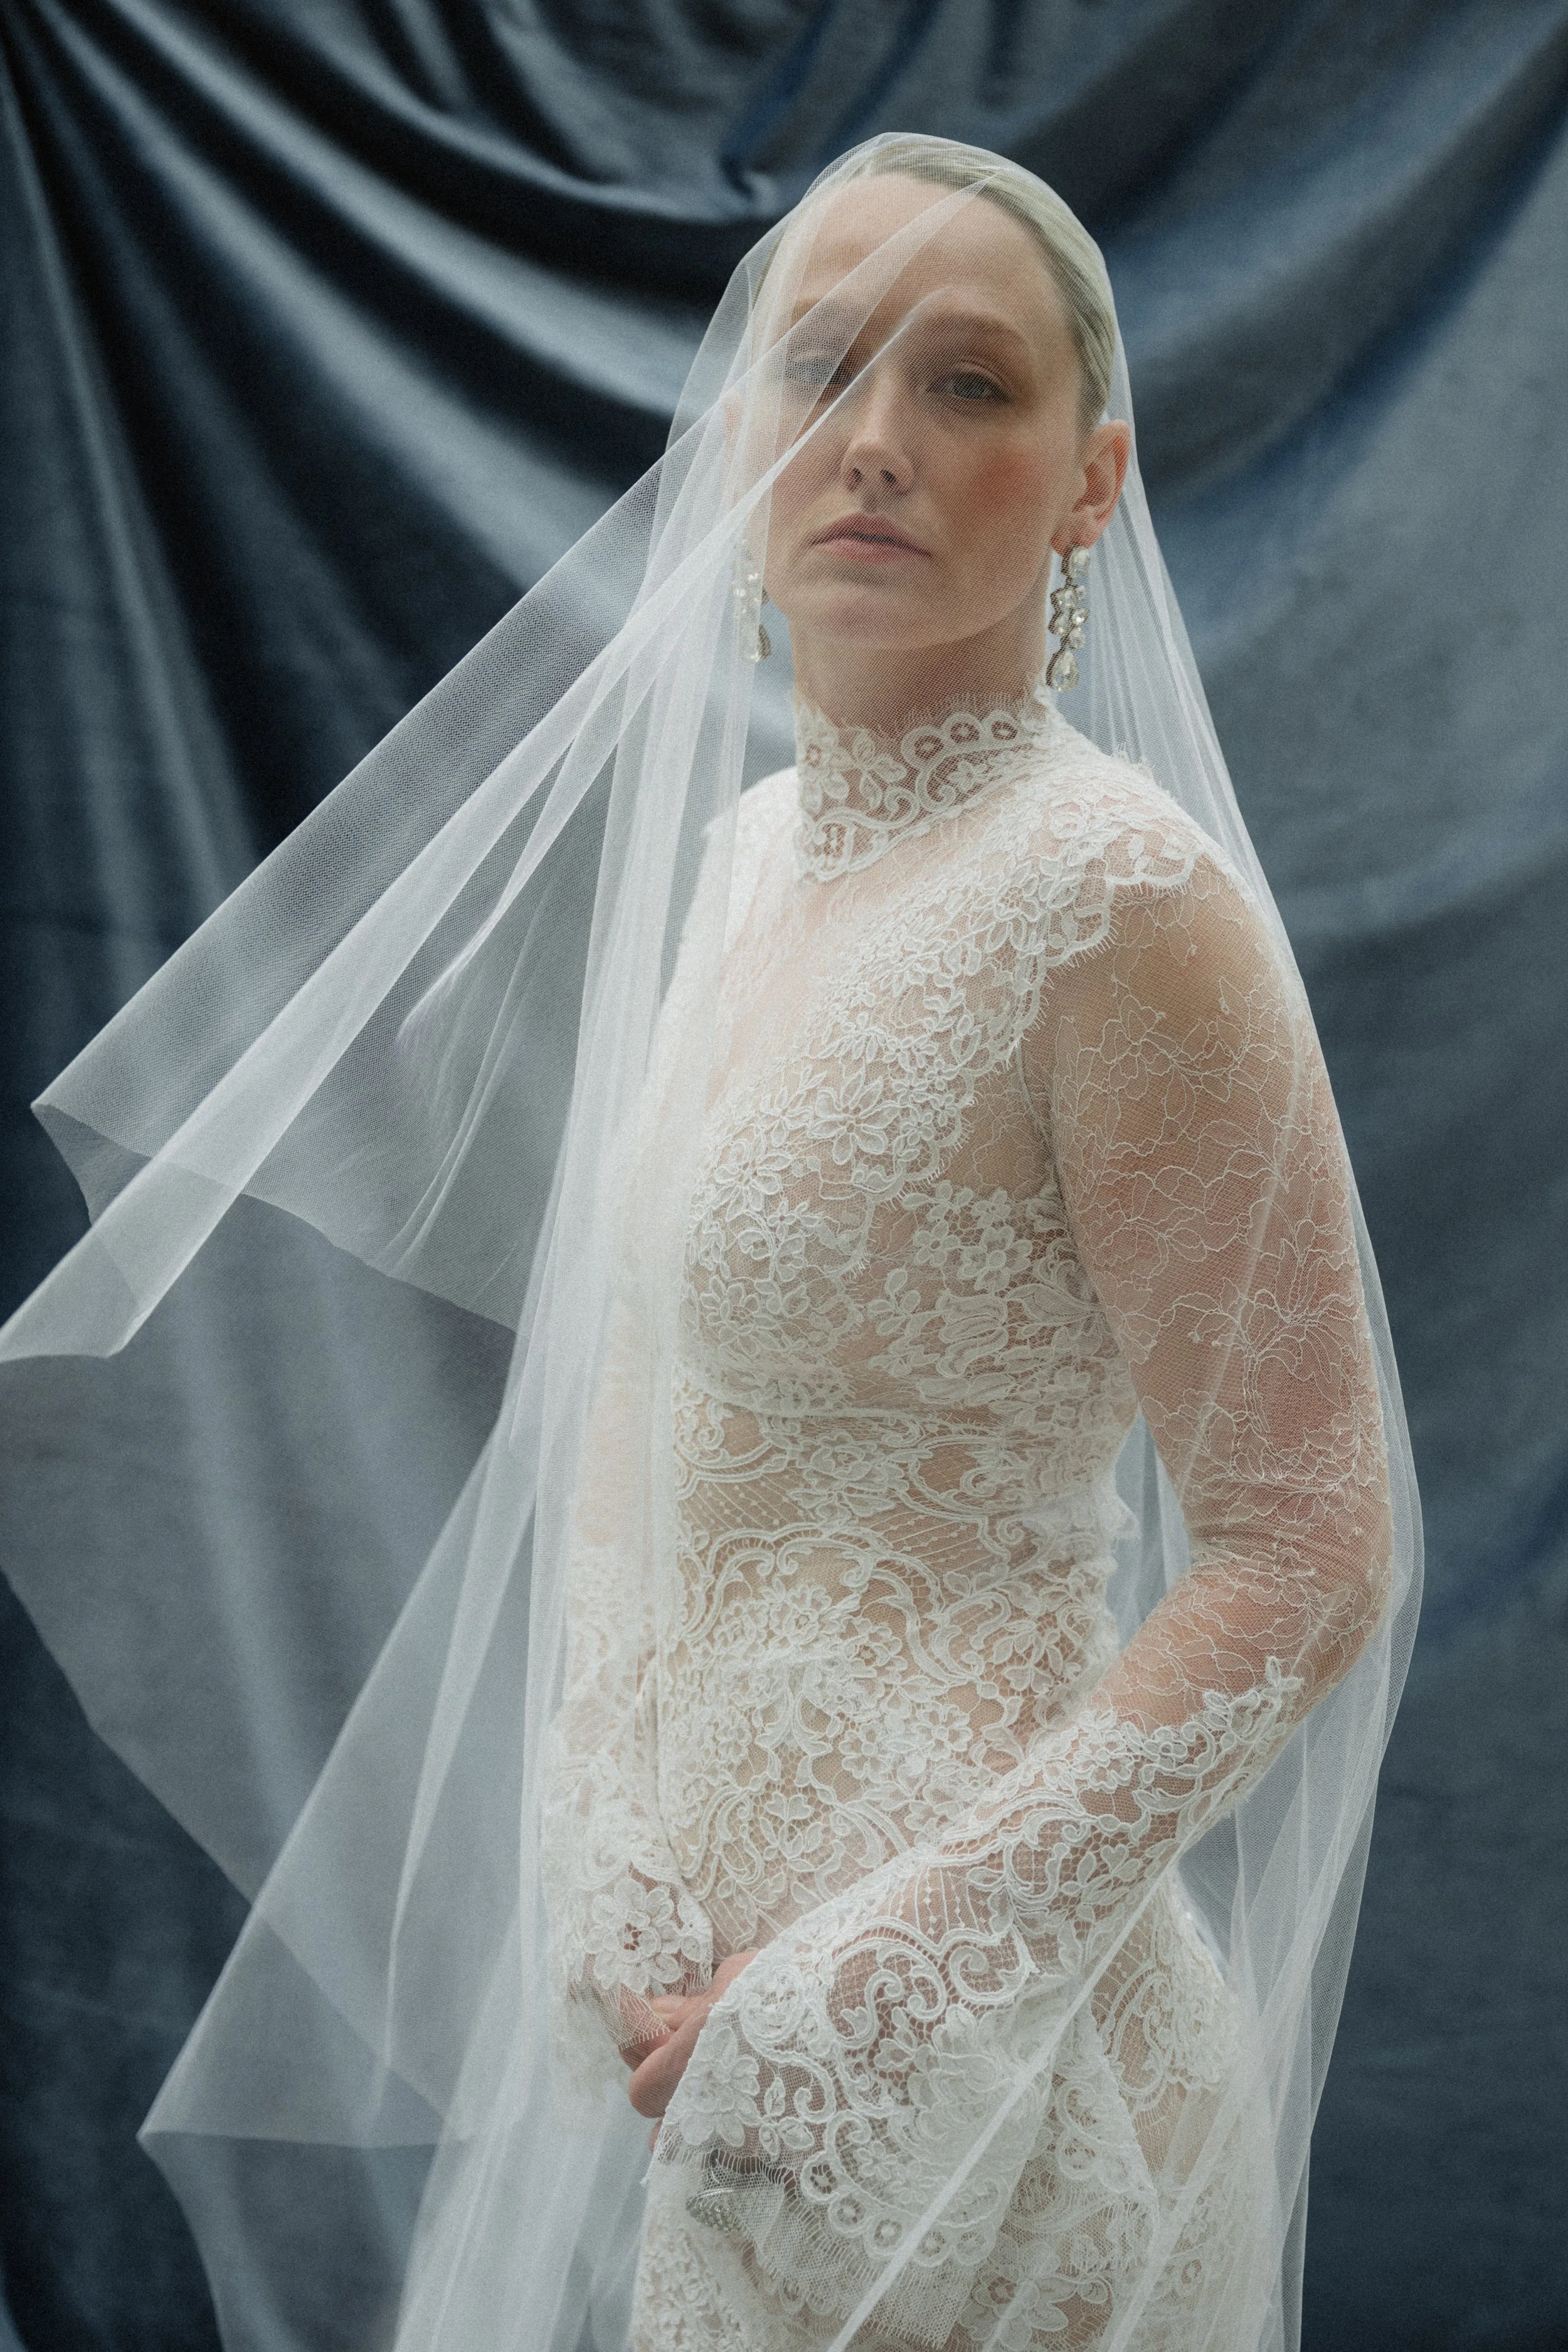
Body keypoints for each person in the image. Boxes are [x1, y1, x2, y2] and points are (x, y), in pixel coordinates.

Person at [0, 137, 1418, 2352]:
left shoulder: (1121, 910)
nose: (871, 439)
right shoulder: (751, 855)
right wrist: (613, 1878)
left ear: (1087, 481)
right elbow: (655, 1423)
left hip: (989, 2091)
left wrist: (873, 1986)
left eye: (965, 384)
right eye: (821, 364)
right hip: (699, 2067)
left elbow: (1309, 1538)